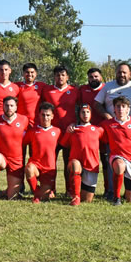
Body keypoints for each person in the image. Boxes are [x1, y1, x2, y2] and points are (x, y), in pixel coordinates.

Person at [41, 65, 79, 194]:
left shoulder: (75, 90)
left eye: (63, 75)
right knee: (51, 162)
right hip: (53, 133)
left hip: (70, 132)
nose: (60, 77)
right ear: (54, 77)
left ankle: (69, 189)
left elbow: (85, 106)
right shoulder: (47, 90)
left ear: (67, 77)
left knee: (68, 161)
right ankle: (51, 188)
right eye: (57, 75)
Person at [59, 104, 105, 206]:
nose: (85, 114)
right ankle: (75, 195)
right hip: (76, 164)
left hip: (91, 166)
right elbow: (63, 143)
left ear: (91, 114)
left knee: (87, 200)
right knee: (75, 164)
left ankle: (79, 194)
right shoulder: (73, 129)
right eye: (83, 112)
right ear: (79, 114)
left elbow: (106, 142)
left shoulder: (98, 129)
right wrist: (67, 132)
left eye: (88, 112)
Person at [0, 96, 29, 202]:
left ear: (16, 107)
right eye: (7, 105)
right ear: (3, 107)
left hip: (17, 160)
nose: (9, 108)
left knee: (12, 197)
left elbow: (32, 133)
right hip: (2, 157)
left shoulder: (24, 120)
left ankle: (6, 191)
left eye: (11, 105)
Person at [79, 67, 112, 198]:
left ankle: (107, 189)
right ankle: (79, 189)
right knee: (84, 161)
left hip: (103, 129)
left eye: (96, 76)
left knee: (105, 160)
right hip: (86, 131)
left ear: (101, 77)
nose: (93, 79)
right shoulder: (82, 89)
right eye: (91, 77)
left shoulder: (107, 88)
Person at [23, 103, 61, 203]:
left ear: (52, 116)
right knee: (29, 168)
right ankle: (36, 194)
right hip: (36, 165)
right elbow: (21, 142)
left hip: (49, 168)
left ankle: (45, 191)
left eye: (48, 115)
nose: (45, 117)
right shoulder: (32, 131)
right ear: (39, 115)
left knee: (46, 197)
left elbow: (66, 144)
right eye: (43, 115)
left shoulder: (57, 131)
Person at [16, 63, 47, 128]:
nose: (30, 74)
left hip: (38, 124)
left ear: (36, 73)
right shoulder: (17, 86)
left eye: (32, 72)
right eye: (27, 72)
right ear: (23, 73)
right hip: (21, 124)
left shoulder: (42, 86)